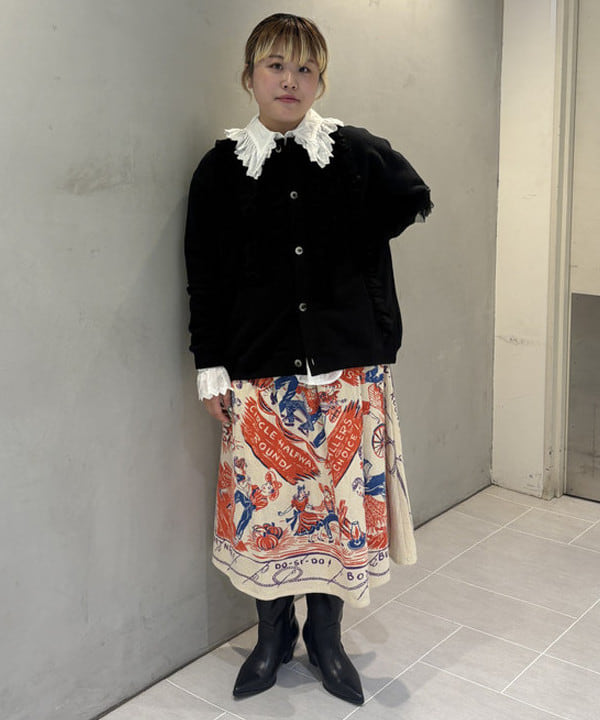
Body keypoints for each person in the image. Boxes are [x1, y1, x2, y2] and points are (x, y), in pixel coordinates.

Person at [184, 12, 432, 706]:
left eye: (305, 69)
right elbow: (205, 276)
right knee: (270, 515)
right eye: (276, 66)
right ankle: (274, 637)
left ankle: (327, 639)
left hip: (349, 372)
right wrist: (210, 364)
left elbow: (410, 198)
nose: (290, 81)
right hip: (259, 376)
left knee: (340, 513)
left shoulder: (348, 153)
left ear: (321, 80)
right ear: (249, 76)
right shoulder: (222, 169)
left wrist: (368, 293)